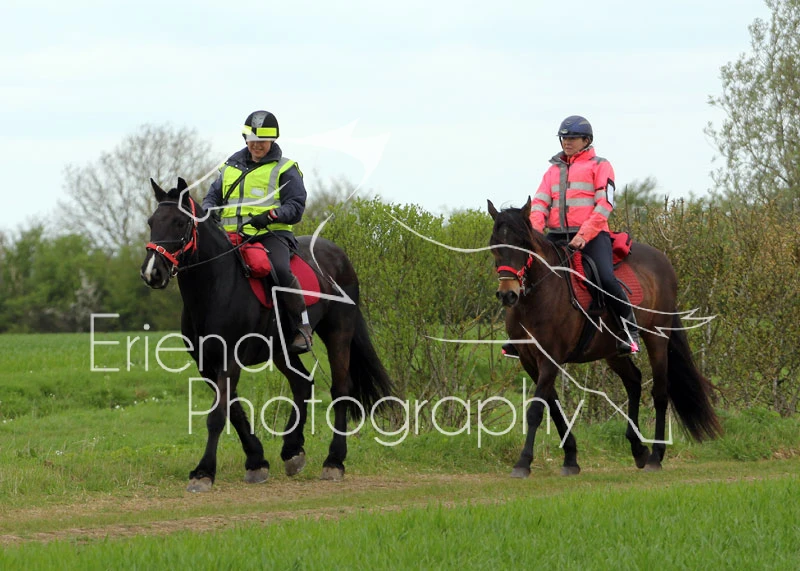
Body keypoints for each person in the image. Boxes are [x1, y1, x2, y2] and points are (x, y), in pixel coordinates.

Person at [502, 115, 639, 358]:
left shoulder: (600, 166)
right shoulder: (552, 171)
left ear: (586, 140)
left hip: (592, 236)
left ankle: (629, 331)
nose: (567, 142)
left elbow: (604, 205)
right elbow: (540, 204)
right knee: (526, 271)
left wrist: (584, 234)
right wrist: (534, 234)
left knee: (605, 278)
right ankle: (518, 336)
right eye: (564, 138)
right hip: (555, 236)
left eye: (573, 138)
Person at [202, 110, 313, 353]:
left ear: (272, 140)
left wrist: (273, 215)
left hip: (271, 234)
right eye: (252, 140)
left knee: (279, 270)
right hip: (230, 235)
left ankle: (302, 325)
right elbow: (212, 197)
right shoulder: (229, 167)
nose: (257, 145)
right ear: (245, 139)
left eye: (262, 140)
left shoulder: (285, 168)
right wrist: (208, 211)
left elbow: (296, 206)